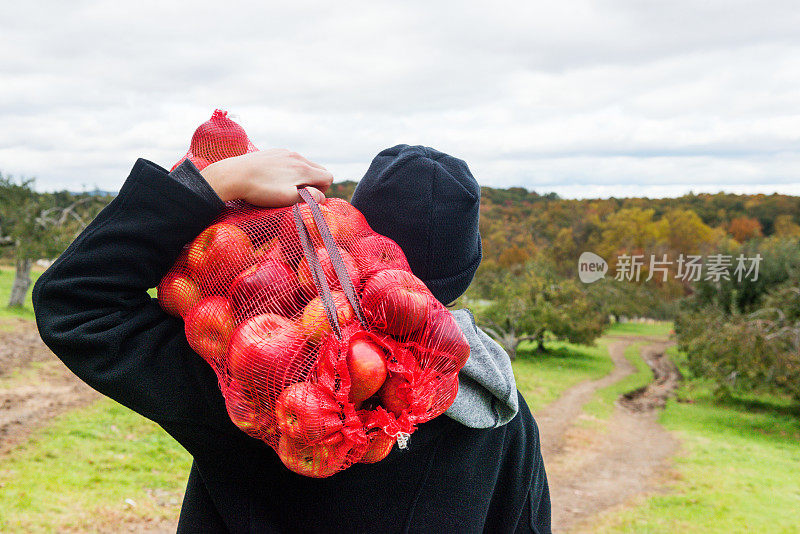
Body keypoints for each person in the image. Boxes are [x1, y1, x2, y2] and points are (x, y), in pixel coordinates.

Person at [32, 144, 551, 533]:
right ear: (465, 272)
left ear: (353, 236)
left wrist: (215, 182)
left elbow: (78, 303)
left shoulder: (252, 384)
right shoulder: (501, 412)